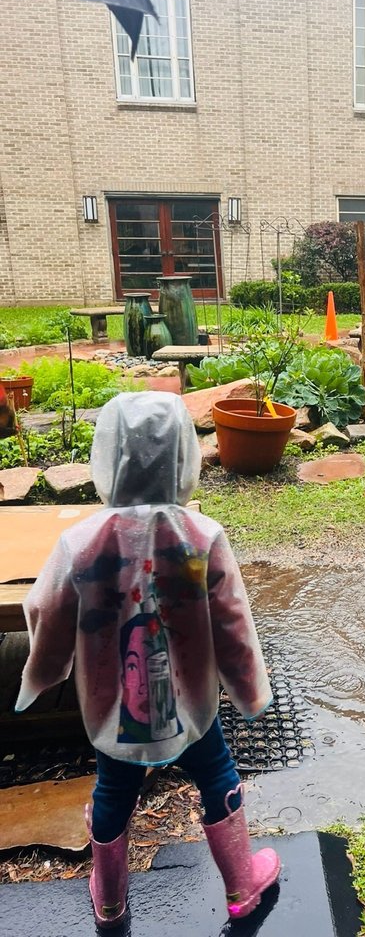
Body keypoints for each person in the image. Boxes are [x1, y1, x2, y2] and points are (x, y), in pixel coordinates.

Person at [15, 392, 280, 929]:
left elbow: (46, 607)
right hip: (191, 705)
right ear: (184, 458)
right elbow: (231, 622)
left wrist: (43, 670)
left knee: (113, 789)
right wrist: (250, 689)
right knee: (216, 775)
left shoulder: (81, 542)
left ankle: (110, 900)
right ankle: (240, 887)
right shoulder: (201, 536)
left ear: (109, 457)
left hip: (117, 708)